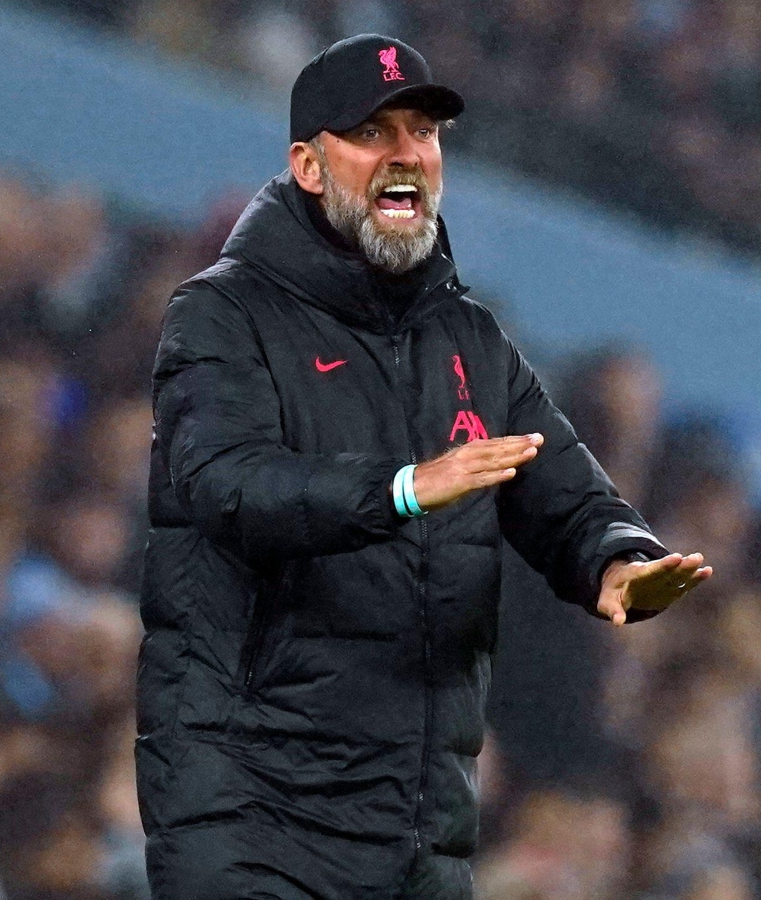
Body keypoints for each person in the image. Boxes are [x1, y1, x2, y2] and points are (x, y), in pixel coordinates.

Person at [136, 34, 712, 899]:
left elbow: (559, 482)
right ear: (308, 164)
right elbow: (226, 487)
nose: (407, 155)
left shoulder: (468, 337)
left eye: (424, 134)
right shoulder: (229, 315)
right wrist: (404, 489)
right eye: (374, 134)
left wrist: (615, 558)